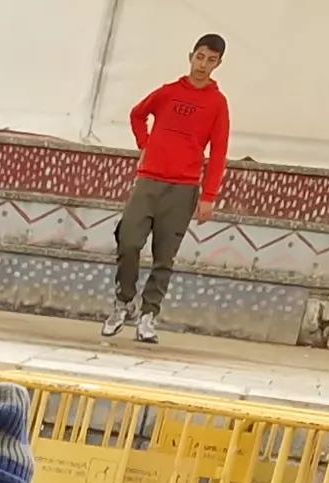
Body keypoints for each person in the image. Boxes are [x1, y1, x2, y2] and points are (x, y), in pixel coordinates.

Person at [107, 34, 230, 345]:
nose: (203, 65)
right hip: (149, 181)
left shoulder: (217, 103)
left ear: (218, 64)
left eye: (211, 60)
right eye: (200, 57)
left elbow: (218, 151)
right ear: (191, 56)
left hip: (184, 188)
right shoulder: (167, 93)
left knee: (164, 256)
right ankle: (123, 301)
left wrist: (209, 196)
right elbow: (138, 114)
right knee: (129, 242)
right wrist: (145, 144)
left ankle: (149, 313)